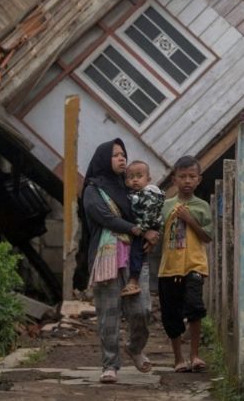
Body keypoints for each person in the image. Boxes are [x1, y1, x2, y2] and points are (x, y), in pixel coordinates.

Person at [81, 139, 160, 384]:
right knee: (109, 314)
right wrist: (138, 230)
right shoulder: (93, 190)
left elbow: (149, 214)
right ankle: (110, 364)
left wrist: (152, 233)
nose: (122, 158)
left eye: (123, 154)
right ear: (104, 159)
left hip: (135, 259)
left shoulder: (131, 188)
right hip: (106, 256)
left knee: (142, 310)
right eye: (115, 155)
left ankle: (135, 348)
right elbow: (104, 217)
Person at [158, 155, 212, 373]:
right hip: (169, 268)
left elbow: (207, 236)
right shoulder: (165, 206)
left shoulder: (202, 206)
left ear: (199, 179)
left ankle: (195, 355)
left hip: (194, 265)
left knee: (195, 308)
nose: (187, 181)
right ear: (174, 180)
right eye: (183, 176)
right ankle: (178, 358)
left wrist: (190, 220)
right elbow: (158, 231)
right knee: (171, 315)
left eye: (192, 176)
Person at [120, 160, 165, 298]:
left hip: (148, 226)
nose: (135, 180)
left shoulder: (147, 194)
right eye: (131, 177)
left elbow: (149, 214)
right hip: (147, 226)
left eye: (139, 176)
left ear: (148, 179)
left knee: (136, 251)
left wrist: (142, 229)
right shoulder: (137, 194)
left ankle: (133, 280)